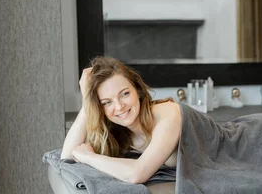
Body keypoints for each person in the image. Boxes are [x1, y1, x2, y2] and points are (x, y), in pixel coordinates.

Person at [61, 56, 181, 184]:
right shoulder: (121, 134)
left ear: (138, 90)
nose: (119, 107)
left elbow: (136, 174)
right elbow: (67, 158)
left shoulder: (167, 113)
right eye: (107, 102)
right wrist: (87, 103)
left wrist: (89, 157)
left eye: (125, 94)